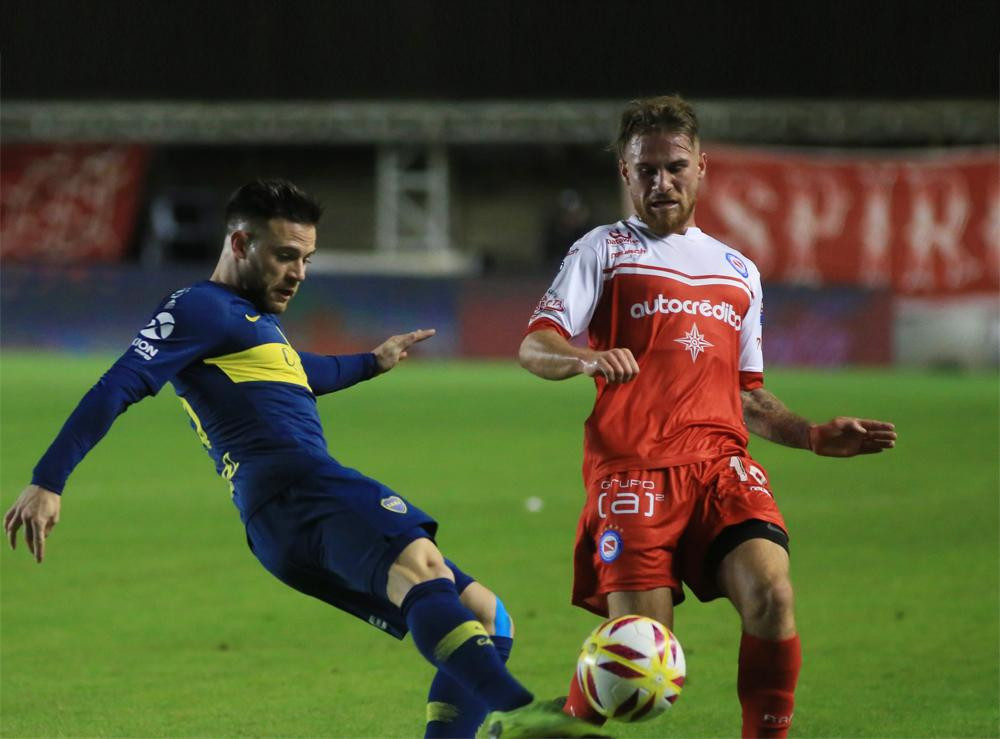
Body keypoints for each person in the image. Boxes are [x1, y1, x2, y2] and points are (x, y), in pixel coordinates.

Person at [4, 179, 598, 739]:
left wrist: (372, 360)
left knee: (487, 618)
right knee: (421, 566)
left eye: (307, 259)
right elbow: (120, 383)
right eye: (286, 255)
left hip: (282, 518)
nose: (299, 273)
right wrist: (48, 480)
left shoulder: (251, 324)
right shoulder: (199, 308)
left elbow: (299, 374)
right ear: (240, 242)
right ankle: (521, 716)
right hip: (296, 488)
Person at [518, 96, 897, 738]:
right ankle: (546, 723)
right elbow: (535, 344)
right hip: (635, 472)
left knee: (774, 596)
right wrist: (584, 360)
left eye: (674, 167)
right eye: (646, 170)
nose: (660, 182)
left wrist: (808, 434)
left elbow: (748, 391)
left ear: (701, 168)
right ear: (625, 173)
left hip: (723, 469)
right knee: (641, 657)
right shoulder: (603, 250)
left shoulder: (737, 271)